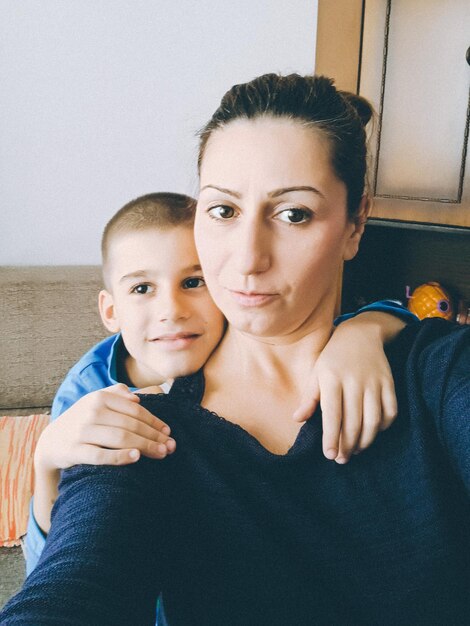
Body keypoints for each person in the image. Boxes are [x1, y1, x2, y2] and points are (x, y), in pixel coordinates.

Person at [3, 73, 467, 625]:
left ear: (355, 222)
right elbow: (70, 585)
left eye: (293, 214)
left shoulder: (435, 372)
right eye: (223, 211)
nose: (248, 259)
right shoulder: (138, 430)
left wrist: (373, 325)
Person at [26, 191, 414, 576]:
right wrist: (44, 461)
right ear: (111, 311)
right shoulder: (86, 390)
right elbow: (54, 557)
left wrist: (364, 331)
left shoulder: (243, 341)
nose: (171, 311)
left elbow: (396, 313)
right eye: (142, 289)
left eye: (194, 283)